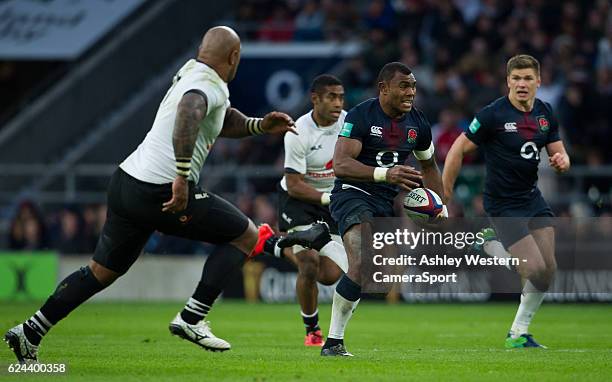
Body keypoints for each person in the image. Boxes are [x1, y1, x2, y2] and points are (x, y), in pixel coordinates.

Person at [4, 26, 331, 364]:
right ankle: (192, 318)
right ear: (234, 57)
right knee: (245, 236)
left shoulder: (192, 70)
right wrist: (181, 175)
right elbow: (191, 111)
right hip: (160, 189)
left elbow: (215, 118)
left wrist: (258, 125)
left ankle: (30, 331)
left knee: (100, 271)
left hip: (127, 182)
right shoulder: (207, 86)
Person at [443, 54, 570, 348]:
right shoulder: (493, 115)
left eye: (527, 78)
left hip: (532, 198)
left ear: (539, 81)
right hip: (503, 203)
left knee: (547, 270)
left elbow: (561, 155)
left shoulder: (546, 113)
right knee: (534, 269)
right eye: (516, 79)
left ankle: (517, 333)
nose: (522, 84)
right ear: (508, 81)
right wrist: (446, 193)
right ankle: (490, 245)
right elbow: (457, 151)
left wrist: (562, 161)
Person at [320, 62, 446, 356]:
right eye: (404, 86)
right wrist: (384, 174)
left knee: (378, 280)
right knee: (361, 260)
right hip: (352, 194)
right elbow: (341, 165)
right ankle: (333, 342)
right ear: (383, 88)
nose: (411, 92)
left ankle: (320, 239)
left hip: (383, 203)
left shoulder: (418, 124)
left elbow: (428, 165)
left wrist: (438, 205)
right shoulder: (361, 115)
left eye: (413, 86)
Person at [276, 74, 348, 346]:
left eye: (341, 97)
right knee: (308, 263)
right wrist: (329, 198)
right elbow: (294, 185)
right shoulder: (298, 132)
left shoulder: (348, 124)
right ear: (315, 98)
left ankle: (277, 244)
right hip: (301, 199)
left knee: (329, 276)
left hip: (332, 199)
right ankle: (312, 330)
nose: (338, 103)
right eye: (331, 96)